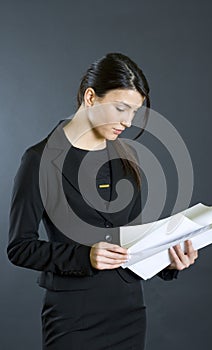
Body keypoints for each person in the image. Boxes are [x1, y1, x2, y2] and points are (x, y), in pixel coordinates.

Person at [7, 52, 198, 350]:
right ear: (91, 97)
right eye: (121, 108)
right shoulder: (39, 160)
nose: (128, 121)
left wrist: (169, 262)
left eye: (134, 112)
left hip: (129, 312)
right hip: (73, 317)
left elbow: (133, 239)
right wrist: (85, 257)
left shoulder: (127, 157)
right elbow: (19, 248)